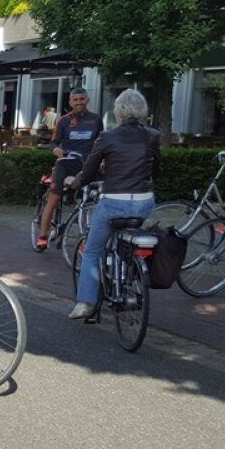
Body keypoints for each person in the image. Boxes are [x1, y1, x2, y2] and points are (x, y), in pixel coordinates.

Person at [68, 89, 161, 319]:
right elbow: (157, 168)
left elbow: (89, 170)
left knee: (92, 250)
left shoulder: (107, 136)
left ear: (118, 113)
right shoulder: (152, 135)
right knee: (129, 239)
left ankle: (86, 303)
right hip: (144, 202)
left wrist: (74, 183)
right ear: (142, 112)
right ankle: (131, 274)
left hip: (114, 203)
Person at [35, 87, 103, 251]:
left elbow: (102, 142)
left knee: (96, 199)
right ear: (70, 102)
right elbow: (53, 142)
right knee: (54, 197)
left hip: (88, 164)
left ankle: (87, 236)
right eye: (75, 99)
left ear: (87, 100)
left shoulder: (96, 120)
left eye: (82, 99)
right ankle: (43, 236)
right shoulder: (64, 121)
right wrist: (56, 149)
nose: (79, 102)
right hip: (66, 163)